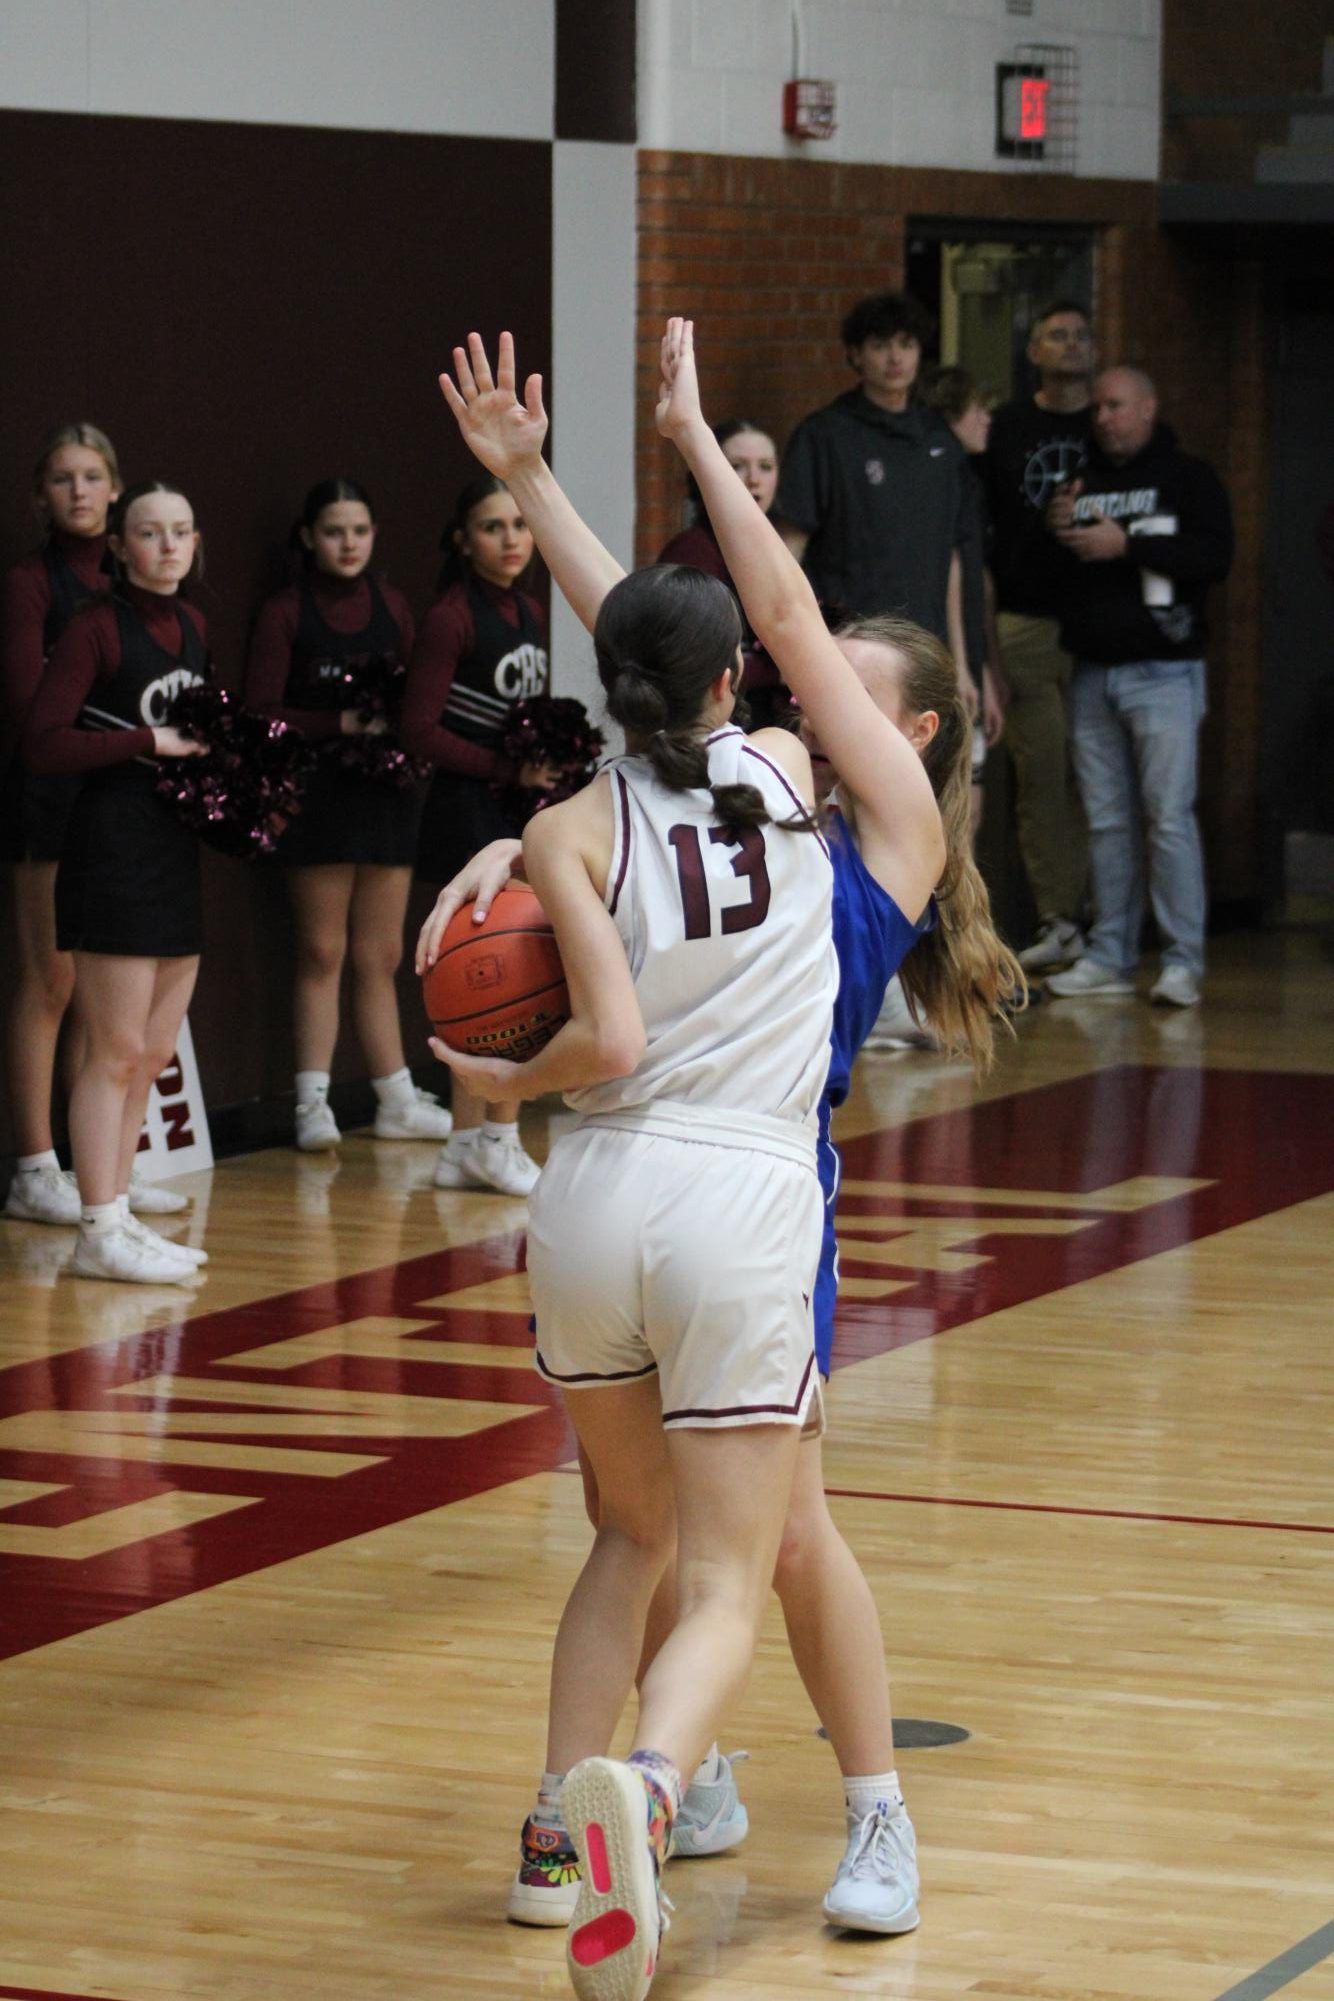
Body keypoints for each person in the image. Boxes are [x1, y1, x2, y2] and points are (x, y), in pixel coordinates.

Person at [424, 319, 1006, 2001]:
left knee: (702, 1538)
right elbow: (701, 643)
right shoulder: (757, 785)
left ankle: (741, 1813)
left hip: (644, 1192)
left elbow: (703, 639)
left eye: (863, 693)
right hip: (720, 1198)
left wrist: (599, 466)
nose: (830, 690)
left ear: (906, 731)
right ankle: (684, 1784)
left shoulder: (846, 824)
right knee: (730, 1549)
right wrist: (575, 470)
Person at [22, 481, 214, 1284]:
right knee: (116, 1047)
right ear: (120, 547)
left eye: (179, 531)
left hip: (174, 852)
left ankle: (119, 1206)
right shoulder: (95, 627)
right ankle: (97, 1226)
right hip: (110, 848)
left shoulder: (195, 626)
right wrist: (146, 742)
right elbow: (42, 741)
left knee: (156, 1048)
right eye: (148, 532)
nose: (167, 546)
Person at [245, 479, 450, 1153]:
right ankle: (312, 1102)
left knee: (382, 952)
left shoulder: (391, 604)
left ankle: (393, 1096)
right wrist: (335, 720)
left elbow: (419, 687)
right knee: (322, 949)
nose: (349, 543)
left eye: (360, 530)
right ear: (310, 537)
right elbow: (259, 711)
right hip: (316, 795)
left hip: (385, 793)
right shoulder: (284, 612)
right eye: (335, 531)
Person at [1043, 367, 1233, 1009]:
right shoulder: (1081, 480)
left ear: (1148, 408)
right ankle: (1108, 955)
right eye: (1097, 407)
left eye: (1116, 405)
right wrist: (1060, 531)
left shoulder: (1189, 479)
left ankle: (1182, 962)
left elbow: (1216, 558)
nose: (1103, 417)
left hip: (1165, 672)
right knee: (1105, 821)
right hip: (1093, 671)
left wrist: (1127, 547)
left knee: (1168, 819)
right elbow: (1054, 574)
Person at [399, 476, 552, 1196]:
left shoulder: (527, 608)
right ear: (464, 539)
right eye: (493, 526)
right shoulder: (451, 617)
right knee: (489, 974)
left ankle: (473, 1142)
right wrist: (503, 767)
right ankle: (487, 1138)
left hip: (509, 811)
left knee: (509, 972)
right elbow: (419, 729)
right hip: (465, 814)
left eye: (520, 523)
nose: (512, 538)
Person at [2, 424, 129, 1229]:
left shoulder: (133, 573)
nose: (79, 492)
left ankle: (99, 1171)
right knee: (49, 980)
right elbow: (28, 705)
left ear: (116, 486)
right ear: (40, 495)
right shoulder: (28, 583)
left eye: (92, 477)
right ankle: (33, 1165)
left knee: (98, 993)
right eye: (62, 479)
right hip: (49, 798)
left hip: (120, 808)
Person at [981, 299, 1094, 972]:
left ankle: (1103, 920)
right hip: (1024, 619)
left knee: (1099, 778)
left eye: (1082, 335)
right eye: (1057, 334)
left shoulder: (1108, 429)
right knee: (1042, 776)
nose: (1072, 345)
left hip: (1103, 629)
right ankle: (1058, 918)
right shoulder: (1007, 428)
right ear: (1034, 352)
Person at [656, 420, 791, 729]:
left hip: (765, 721)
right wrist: (779, 671)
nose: (754, 479)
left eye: (766, 467)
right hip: (710, 727)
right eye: (738, 467)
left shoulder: (771, 547)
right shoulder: (691, 552)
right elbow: (690, 660)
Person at [924, 367, 1008, 835]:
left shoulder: (969, 478)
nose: (987, 420)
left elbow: (979, 583)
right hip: (944, 657)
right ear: (953, 413)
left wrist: (985, 669)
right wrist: (962, 665)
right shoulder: (942, 474)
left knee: (971, 804)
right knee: (955, 808)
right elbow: (952, 571)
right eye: (979, 409)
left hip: (968, 658)